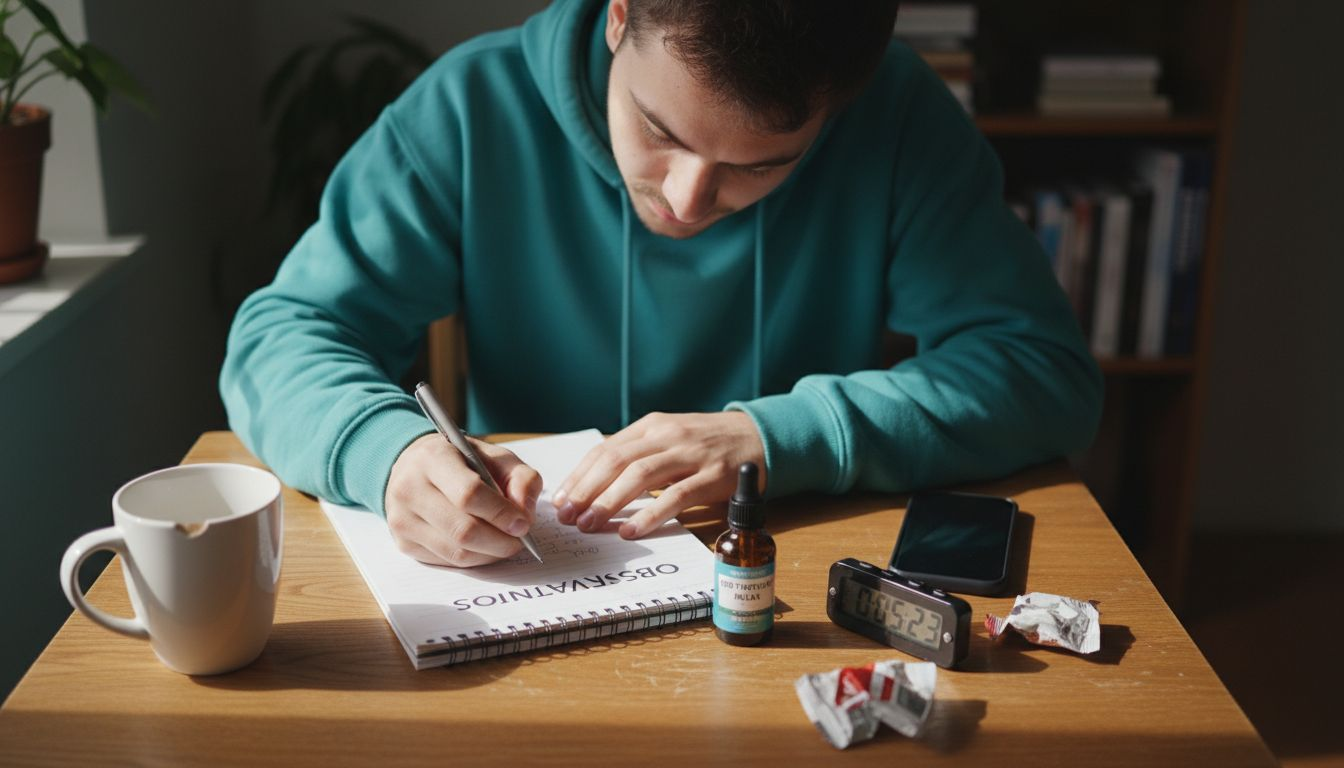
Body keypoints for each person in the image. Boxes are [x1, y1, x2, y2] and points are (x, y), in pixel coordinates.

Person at [221, 0, 1102, 567]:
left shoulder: (897, 116)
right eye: (660, 130)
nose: (687, 199)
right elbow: (282, 335)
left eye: (760, 167)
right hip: (535, 577)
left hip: (780, 583)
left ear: (833, 111)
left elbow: (1040, 371)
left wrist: (776, 436)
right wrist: (389, 454)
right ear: (617, 16)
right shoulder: (467, 110)